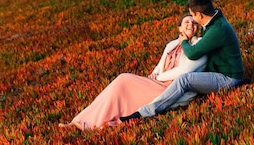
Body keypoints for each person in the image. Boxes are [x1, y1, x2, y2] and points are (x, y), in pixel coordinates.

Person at [58, 14, 207, 130]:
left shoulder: (200, 44)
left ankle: (94, 123)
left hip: (173, 88)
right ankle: (80, 121)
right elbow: (160, 65)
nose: (191, 24)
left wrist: (159, 77)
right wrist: (153, 75)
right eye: (186, 22)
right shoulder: (171, 44)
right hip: (157, 83)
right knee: (118, 87)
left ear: (197, 28)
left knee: (123, 80)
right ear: (179, 28)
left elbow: (186, 71)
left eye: (194, 23)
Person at [120, 0, 244, 121]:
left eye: (194, 16)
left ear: (200, 15)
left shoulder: (218, 29)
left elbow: (192, 53)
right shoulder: (212, 21)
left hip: (227, 78)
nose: (193, 21)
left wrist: (183, 41)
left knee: (184, 79)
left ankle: (146, 112)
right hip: (219, 72)